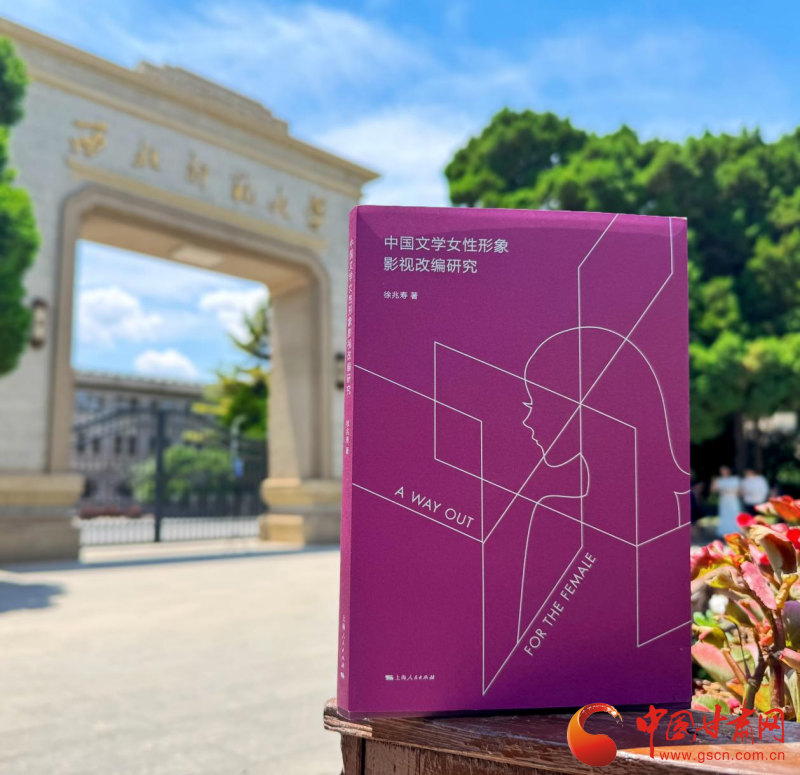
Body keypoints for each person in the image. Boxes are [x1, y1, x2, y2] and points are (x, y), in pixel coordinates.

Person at [711, 466, 742, 536]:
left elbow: (740, 491)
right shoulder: (719, 480)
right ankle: (725, 531)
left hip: (733, 500)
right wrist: (713, 481)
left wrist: (731, 491)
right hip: (724, 501)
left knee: (734, 514)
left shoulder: (735, 479)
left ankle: (736, 530)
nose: (724, 471)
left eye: (725, 469)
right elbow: (713, 490)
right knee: (725, 515)